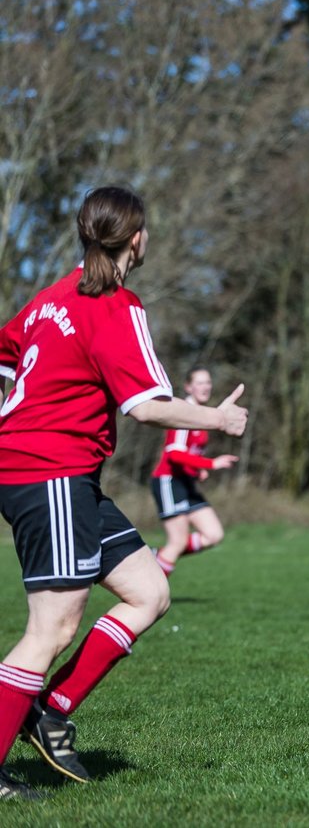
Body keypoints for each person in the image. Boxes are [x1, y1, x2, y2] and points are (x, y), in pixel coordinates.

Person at [0, 186, 249, 799]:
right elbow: (145, 406)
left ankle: (51, 708)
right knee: (52, 628)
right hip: (46, 472)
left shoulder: (49, 298)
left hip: (62, 474)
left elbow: (5, 358)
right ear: (137, 237)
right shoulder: (114, 304)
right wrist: (216, 419)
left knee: (149, 590)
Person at [150, 367, 239, 576]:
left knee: (214, 534)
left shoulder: (202, 415)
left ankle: (157, 557)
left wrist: (195, 471)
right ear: (188, 387)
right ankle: (150, 592)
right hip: (168, 481)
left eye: (208, 382)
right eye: (199, 382)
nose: (205, 387)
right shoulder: (185, 413)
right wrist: (209, 464)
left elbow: (187, 455)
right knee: (178, 542)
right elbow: (174, 453)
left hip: (186, 482)